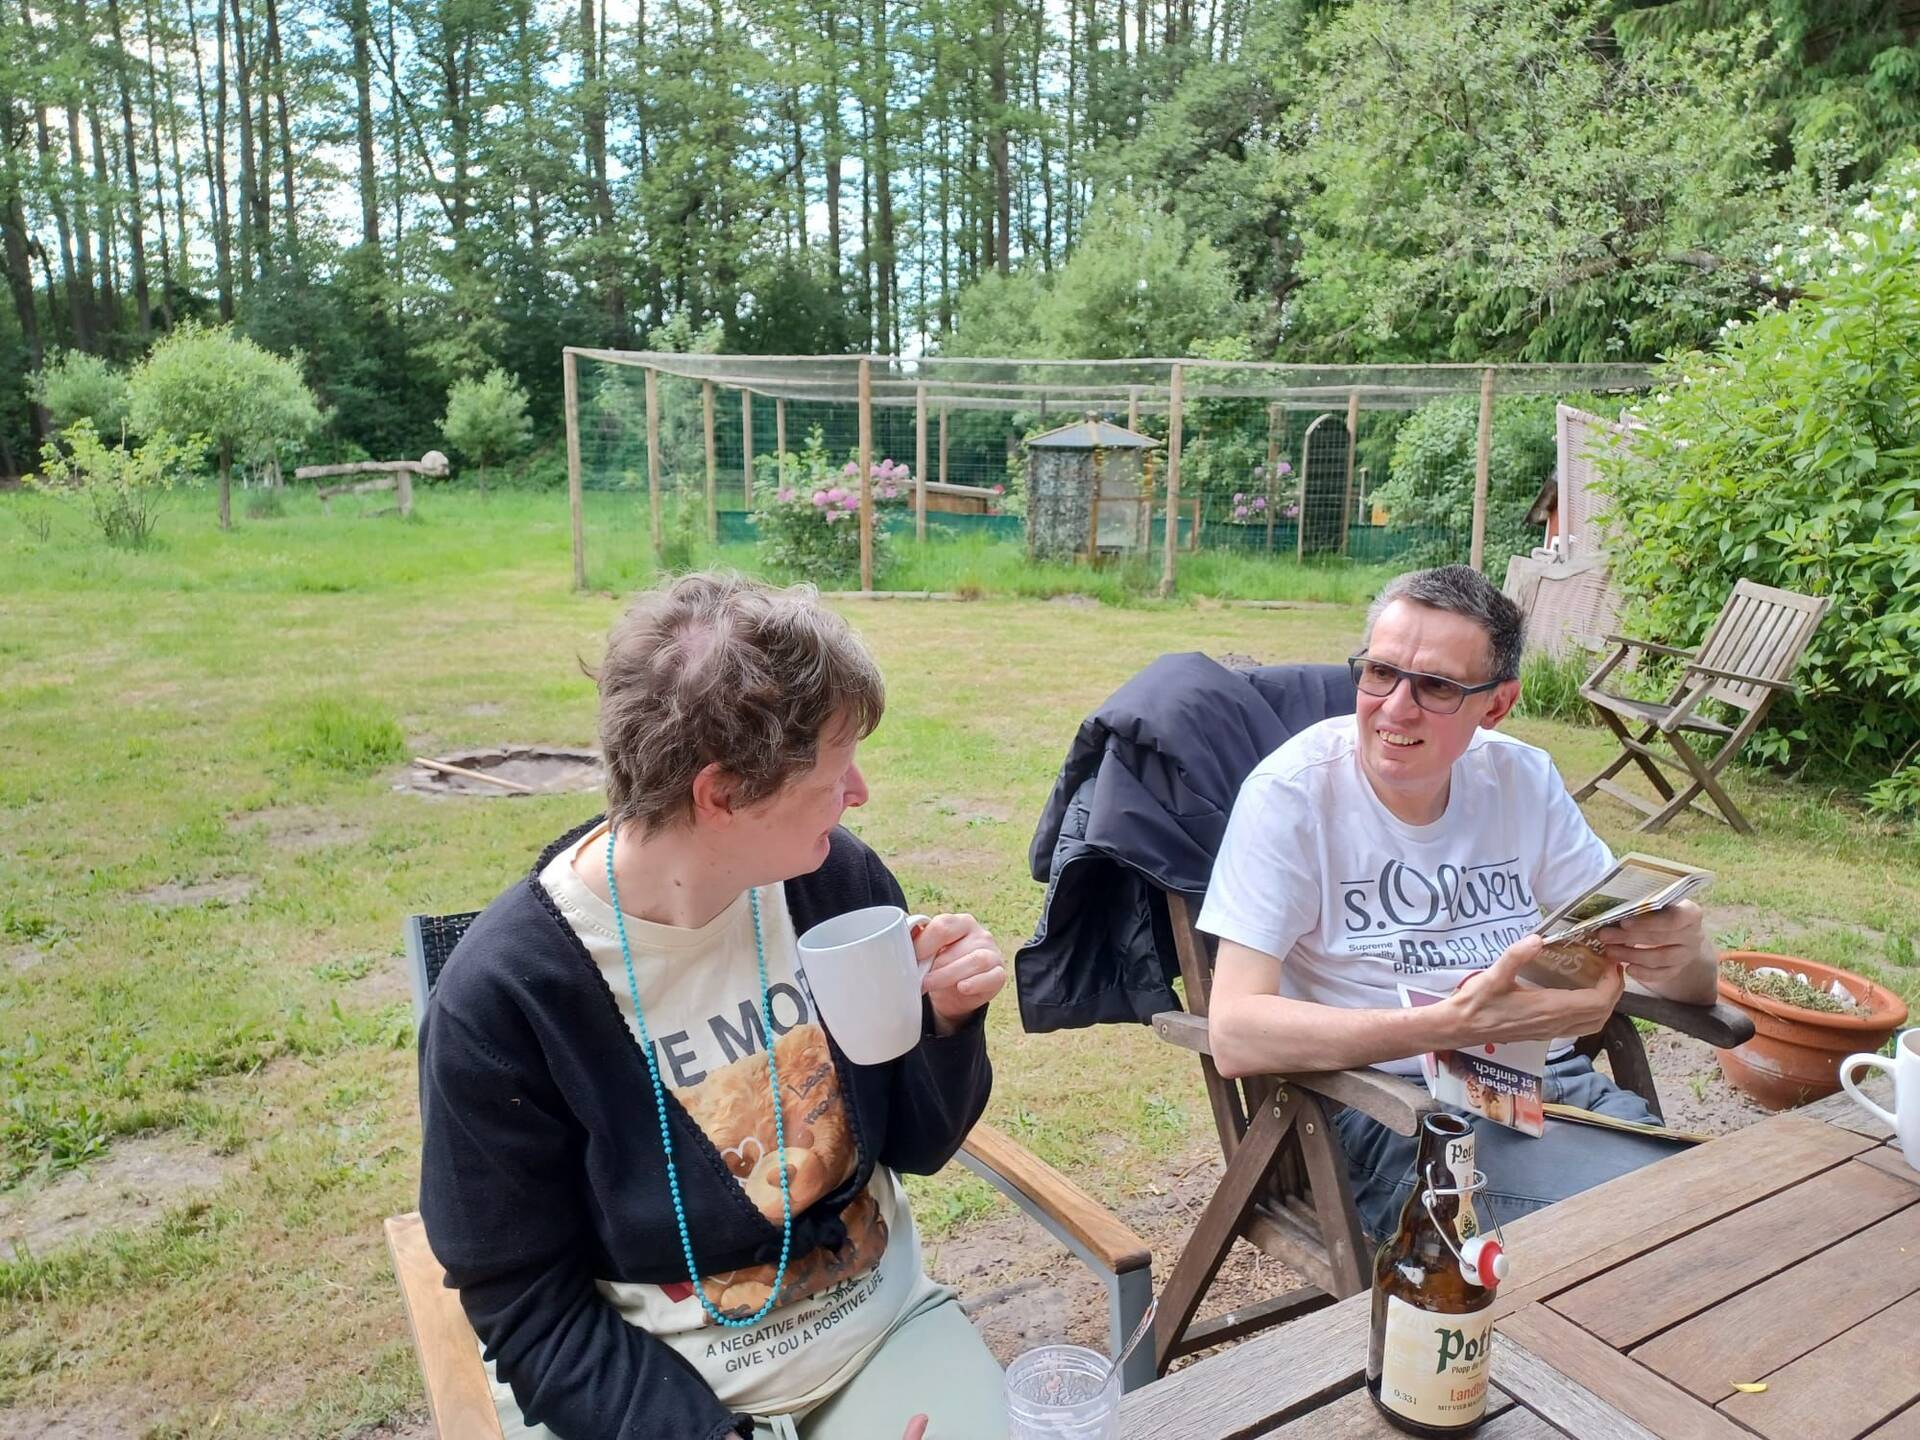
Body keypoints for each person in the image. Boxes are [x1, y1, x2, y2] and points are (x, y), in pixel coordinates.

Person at [418, 574, 1010, 1440]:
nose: (860, 796)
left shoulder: (835, 887)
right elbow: (526, 1307)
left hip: (878, 1338)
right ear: (722, 793)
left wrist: (947, 1025)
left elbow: (919, 1145)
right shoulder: (506, 999)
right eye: (835, 770)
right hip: (652, 1393)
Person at [1197, 565, 1717, 1240]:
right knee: (1644, 1231)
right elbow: (1234, 1032)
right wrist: (1449, 1025)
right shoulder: (1295, 796)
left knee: (1719, 1210)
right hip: (1393, 1114)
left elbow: (1690, 979)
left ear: (1495, 705)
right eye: (1379, 672)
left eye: (1436, 686)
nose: (1395, 708)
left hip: (1550, 1087)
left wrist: (1683, 953)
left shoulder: (1520, 779)